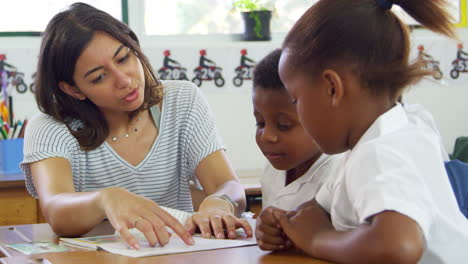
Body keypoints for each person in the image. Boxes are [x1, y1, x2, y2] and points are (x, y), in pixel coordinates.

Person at [20, 2, 251, 250]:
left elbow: (229, 186)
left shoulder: (183, 100)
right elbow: (56, 210)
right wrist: (105, 199)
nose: (124, 80)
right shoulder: (49, 127)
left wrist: (219, 202)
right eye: (99, 77)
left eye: (124, 58)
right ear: (73, 89)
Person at [274, 0, 468, 263]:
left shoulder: (381, 151)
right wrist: (285, 225)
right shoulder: (393, 130)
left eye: (296, 100)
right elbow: (317, 210)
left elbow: (398, 246)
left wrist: (315, 239)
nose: (298, 113)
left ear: (332, 88)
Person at [253, 49, 343, 251]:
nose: (267, 136)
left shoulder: (340, 173)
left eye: (284, 125)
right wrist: (266, 230)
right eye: (259, 123)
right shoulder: (272, 171)